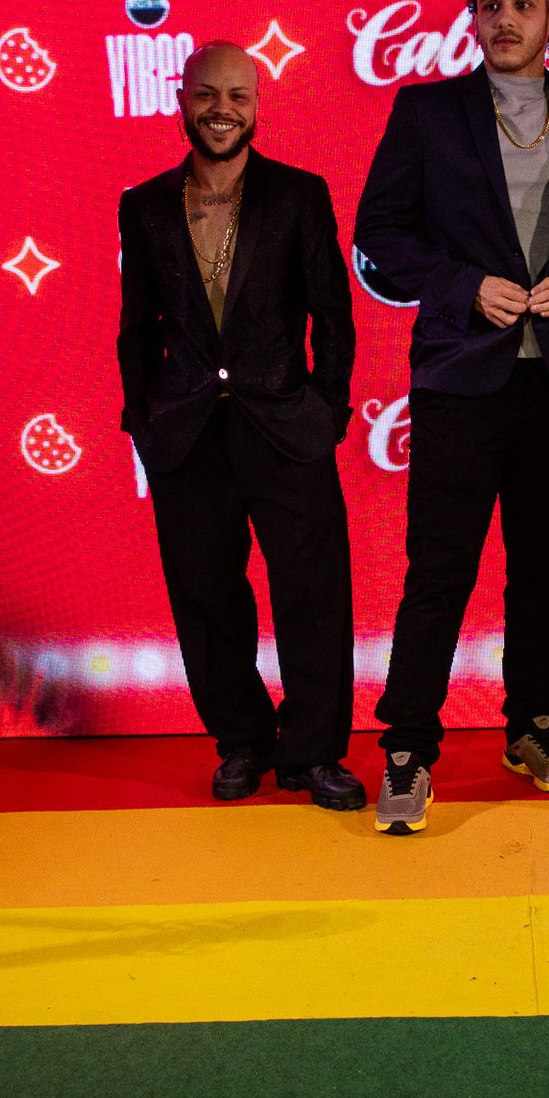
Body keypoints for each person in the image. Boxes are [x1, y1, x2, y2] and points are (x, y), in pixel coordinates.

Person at [354, 0, 549, 834]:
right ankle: (407, 747)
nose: (504, 18)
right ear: (473, 18)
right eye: (489, 3)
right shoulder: (427, 110)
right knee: (440, 568)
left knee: (539, 565)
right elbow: (380, 233)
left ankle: (531, 724)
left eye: (523, 3)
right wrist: (463, 283)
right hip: (460, 376)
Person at [116, 41, 365, 809]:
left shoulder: (298, 194)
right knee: (206, 596)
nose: (221, 110)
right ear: (181, 101)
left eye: (238, 96)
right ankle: (243, 741)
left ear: (257, 106)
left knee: (313, 594)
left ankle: (313, 752)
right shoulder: (144, 205)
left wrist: (326, 410)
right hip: (186, 433)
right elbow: (135, 326)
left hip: (286, 425)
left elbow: (333, 314)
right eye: (206, 95)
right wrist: (143, 420)